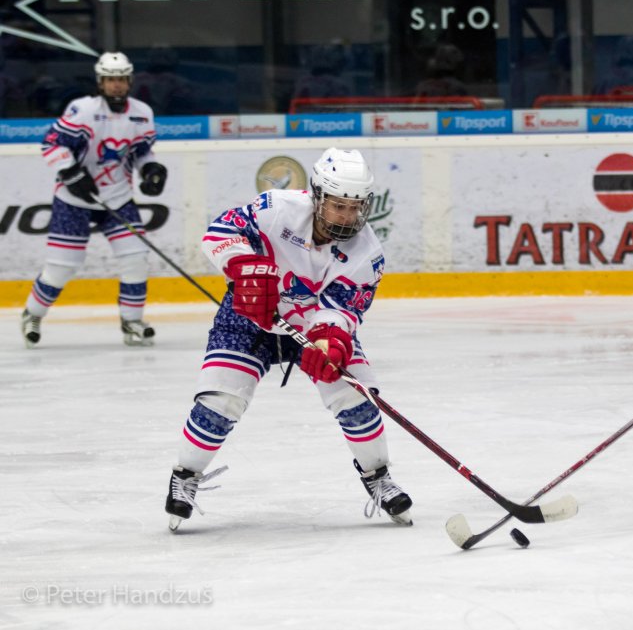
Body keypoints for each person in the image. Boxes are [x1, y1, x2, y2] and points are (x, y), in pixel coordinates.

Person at [163, 147, 412, 531]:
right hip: (248, 319)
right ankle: (185, 476)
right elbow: (220, 232)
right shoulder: (276, 209)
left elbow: (343, 310)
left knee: (357, 400)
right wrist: (244, 267)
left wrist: (330, 341)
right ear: (317, 196)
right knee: (220, 402)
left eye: (355, 207)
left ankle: (378, 477)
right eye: (338, 206)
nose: (347, 217)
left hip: (311, 327)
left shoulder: (367, 253)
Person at [21, 51, 168, 348]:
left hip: (118, 198)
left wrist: (151, 170)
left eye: (121, 79)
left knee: (136, 259)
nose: (116, 84)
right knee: (62, 266)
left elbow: (142, 153)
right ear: (100, 82)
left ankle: (132, 322)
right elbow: (52, 144)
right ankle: (32, 314)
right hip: (73, 201)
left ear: (129, 80)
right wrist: (71, 172)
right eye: (110, 79)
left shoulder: (142, 113)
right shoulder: (83, 110)